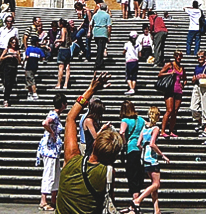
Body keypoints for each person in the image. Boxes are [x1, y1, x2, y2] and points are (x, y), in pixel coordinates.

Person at [56, 73, 125, 214]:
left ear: (94, 145)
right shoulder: (107, 173)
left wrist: (91, 90)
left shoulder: (71, 159)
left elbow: (70, 118)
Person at [133, 106, 169, 214]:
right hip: (152, 158)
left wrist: (144, 148)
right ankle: (138, 200)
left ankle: (156, 209)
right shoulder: (155, 129)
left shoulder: (144, 128)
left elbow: (139, 143)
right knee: (156, 184)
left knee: (154, 185)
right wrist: (162, 155)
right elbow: (152, 143)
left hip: (144, 157)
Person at [38, 94, 68, 211]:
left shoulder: (55, 115)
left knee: (55, 174)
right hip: (49, 150)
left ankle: (53, 199)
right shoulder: (54, 115)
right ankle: (43, 200)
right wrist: (52, 133)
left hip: (54, 150)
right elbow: (45, 123)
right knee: (49, 173)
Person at [119, 100, 147, 205]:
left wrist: (124, 142)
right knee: (139, 174)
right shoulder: (141, 120)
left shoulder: (125, 120)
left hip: (131, 148)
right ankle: (137, 198)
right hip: (140, 149)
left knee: (132, 175)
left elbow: (121, 132)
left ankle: (135, 200)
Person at [157, 50, 185, 138]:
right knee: (169, 110)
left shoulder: (182, 67)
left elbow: (185, 78)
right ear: (174, 56)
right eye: (177, 56)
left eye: (180, 56)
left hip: (178, 90)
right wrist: (169, 73)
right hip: (169, 90)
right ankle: (163, 130)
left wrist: (183, 84)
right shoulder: (170, 65)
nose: (179, 58)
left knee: (175, 112)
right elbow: (160, 74)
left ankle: (171, 130)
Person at [190, 51, 206, 137]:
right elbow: (193, 78)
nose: (200, 59)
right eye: (198, 57)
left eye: (201, 57)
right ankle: (200, 122)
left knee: (205, 107)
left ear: (205, 57)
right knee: (193, 107)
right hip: (197, 86)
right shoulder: (197, 67)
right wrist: (194, 78)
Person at [90, 0, 112, 70]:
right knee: (101, 48)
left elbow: (91, 24)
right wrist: (109, 35)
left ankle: (100, 61)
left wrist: (91, 31)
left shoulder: (95, 15)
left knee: (100, 47)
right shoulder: (107, 15)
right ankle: (98, 63)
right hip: (103, 33)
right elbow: (109, 26)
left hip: (96, 33)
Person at [0, 37, 21, 106]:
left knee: (11, 84)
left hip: (14, 68)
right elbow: (1, 58)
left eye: (15, 42)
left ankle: (7, 97)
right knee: (7, 83)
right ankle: (6, 99)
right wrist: (7, 56)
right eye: (13, 42)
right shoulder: (7, 50)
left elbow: (20, 62)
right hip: (7, 68)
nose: (14, 44)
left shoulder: (17, 51)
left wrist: (17, 56)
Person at [25, 36, 45, 101]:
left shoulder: (29, 49)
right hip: (35, 66)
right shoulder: (39, 50)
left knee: (30, 79)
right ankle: (30, 93)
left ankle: (34, 93)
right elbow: (43, 58)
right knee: (29, 79)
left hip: (29, 66)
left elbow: (27, 56)